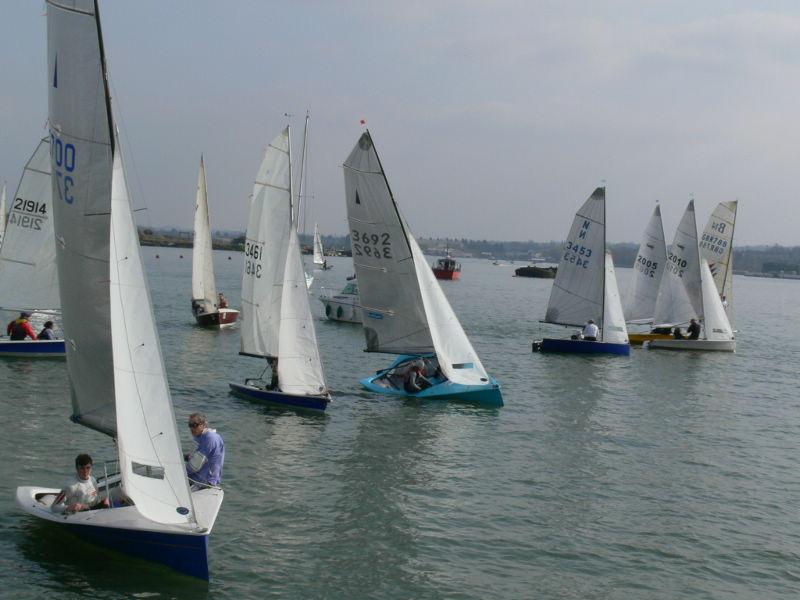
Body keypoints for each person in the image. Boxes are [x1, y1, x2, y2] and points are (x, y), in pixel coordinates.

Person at [185, 413, 224, 489]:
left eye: (195, 425)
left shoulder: (209, 438)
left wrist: (180, 472)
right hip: (199, 477)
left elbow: (195, 465)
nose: (192, 428)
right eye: (190, 425)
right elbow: (198, 457)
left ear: (204, 425)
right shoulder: (202, 437)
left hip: (204, 482)